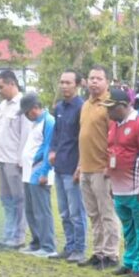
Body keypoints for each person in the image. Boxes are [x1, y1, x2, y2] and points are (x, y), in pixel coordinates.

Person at [102, 89, 139, 277]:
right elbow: (112, 153)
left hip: (137, 188)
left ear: (124, 106)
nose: (108, 112)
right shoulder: (114, 124)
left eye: (111, 108)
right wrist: (110, 181)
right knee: (129, 228)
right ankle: (130, 262)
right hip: (119, 189)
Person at [77, 65, 121, 270]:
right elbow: (83, 137)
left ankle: (111, 254)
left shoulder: (109, 106)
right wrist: (79, 166)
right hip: (85, 167)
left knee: (107, 213)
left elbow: (115, 139)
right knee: (93, 214)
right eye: (91, 78)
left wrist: (110, 167)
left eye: (99, 78)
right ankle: (98, 252)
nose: (94, 82)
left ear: (107, 82)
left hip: (102, 168)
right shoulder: (86, 105)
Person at [48, 70, 88, 262]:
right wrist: (52, 150)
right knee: (64, 212)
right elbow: (56, 134)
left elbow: (83, 139)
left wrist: (80, 166)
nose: (64, 86)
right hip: (59, 165)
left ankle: (79, 249)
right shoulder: (59, 108)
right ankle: (69, 246)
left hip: (73, 166)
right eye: (62, 82)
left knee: (76, 212)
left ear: (78, 85)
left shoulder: (82, 108)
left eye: (68, 83)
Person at [0, 70, 30, 248]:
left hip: (15, 160)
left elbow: (26, 135)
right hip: (2, 158)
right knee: (6, 200)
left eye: (1, 87)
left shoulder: (23, 104)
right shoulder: (3, 105)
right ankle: (8, 234)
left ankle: (19, 236)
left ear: (12, 84)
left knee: (19, 200)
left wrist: (22, 160)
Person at [19, 92, 57, 257]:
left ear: (35, 108)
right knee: (30, 210)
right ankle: (36, 242)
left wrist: (44, 172)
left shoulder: (48, 121)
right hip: (28, 172)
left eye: (27, 112)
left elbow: (49, 148)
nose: (27, 116)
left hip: (39, 171)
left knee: (42, 210)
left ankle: (47, 245)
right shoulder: (36, 122)